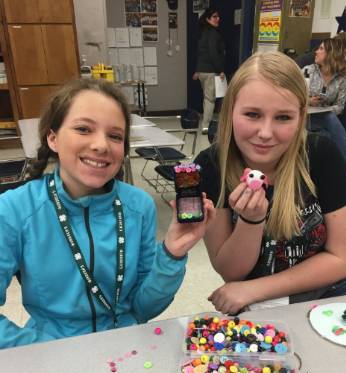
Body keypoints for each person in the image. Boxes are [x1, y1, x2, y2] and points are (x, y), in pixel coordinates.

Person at [0, 78, 215, 349]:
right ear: (52, 138)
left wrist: (172, 254)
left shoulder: (139, 206)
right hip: (51, 353)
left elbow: (143, 308)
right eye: (83, 129)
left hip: (126, 347)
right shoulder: (15, 210)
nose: (101, 145)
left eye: (115, 136)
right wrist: (37, 348)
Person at [195, 51, 346, 315]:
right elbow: (231, 270)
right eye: (253, 114)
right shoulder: (211, 166)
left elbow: (343, 257)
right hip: (257, 302)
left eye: (283, 117)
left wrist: (253, 289)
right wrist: (251, 221)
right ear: (231, 110)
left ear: (301, 117)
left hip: (329, 288)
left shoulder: (321, 154)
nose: (265, 133)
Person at [304, 38, 346, 177]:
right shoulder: (308, 71)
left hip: (323, 121)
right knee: (329, 119)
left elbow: (340, 106)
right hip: (303, 117)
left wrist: (324, 108)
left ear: (331, 54)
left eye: (321, 49)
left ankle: (333, 175)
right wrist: (309, 101)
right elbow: (291, 96)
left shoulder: (342, 77)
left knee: (327, 132)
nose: (316, 51)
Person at [192, 7, 225, 132]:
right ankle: (206, 127)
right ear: (208, 19)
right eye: (215, 17)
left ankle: (206, 124)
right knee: (210, 100)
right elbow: (213, 54)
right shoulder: (213, 33)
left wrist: (197, 70)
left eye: (218, 16)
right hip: (210, 71)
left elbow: (201, 53)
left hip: (202, 72)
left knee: (207, 98)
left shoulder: (204, 32)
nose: (218, 19)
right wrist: (220, 70)